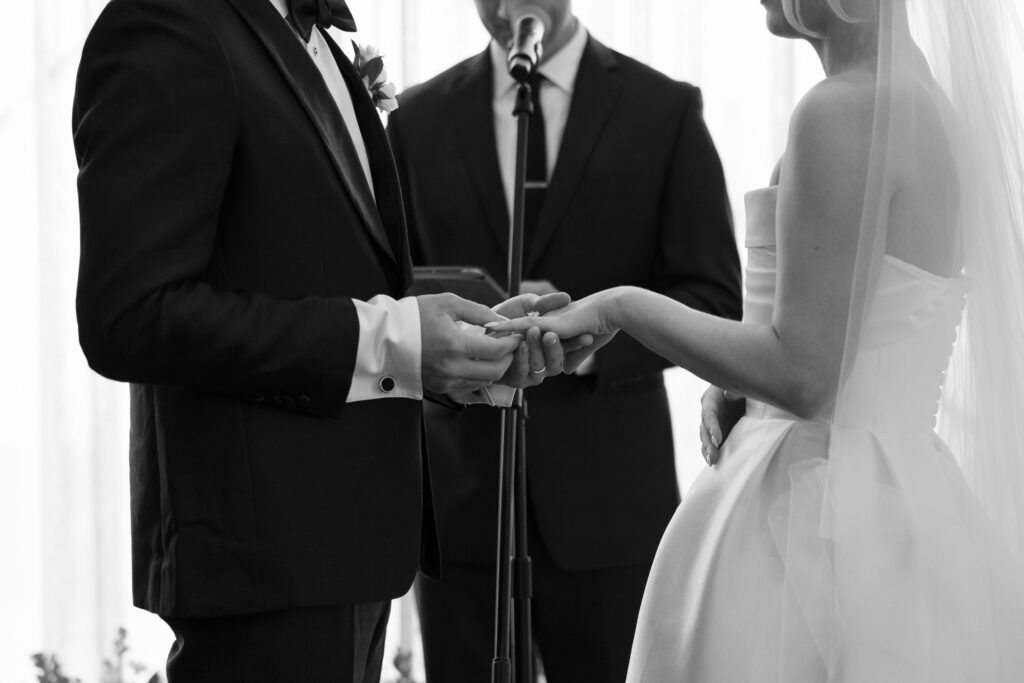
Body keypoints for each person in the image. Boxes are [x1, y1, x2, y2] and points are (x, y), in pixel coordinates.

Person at [492, 0, 1024, 679]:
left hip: (817, 520)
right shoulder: (925, 105)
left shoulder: (842, 110)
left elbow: (803, 375)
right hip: (902, 504)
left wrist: (618, 307)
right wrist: (739, 376)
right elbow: (859, 331)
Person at [71, 0, 577, 679]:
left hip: (352, 556)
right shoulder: (166, 22)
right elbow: (129, 314)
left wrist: (453, 353)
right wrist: (394, 339)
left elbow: (314, 267)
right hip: (263, 563)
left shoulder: (325, 49)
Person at [386, 1, 742, 680]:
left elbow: (715, 300)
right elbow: (393, 297)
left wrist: (594, 342)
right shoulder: (414, 119)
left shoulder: (664, 111)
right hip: (463, 510)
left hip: (610, 505)